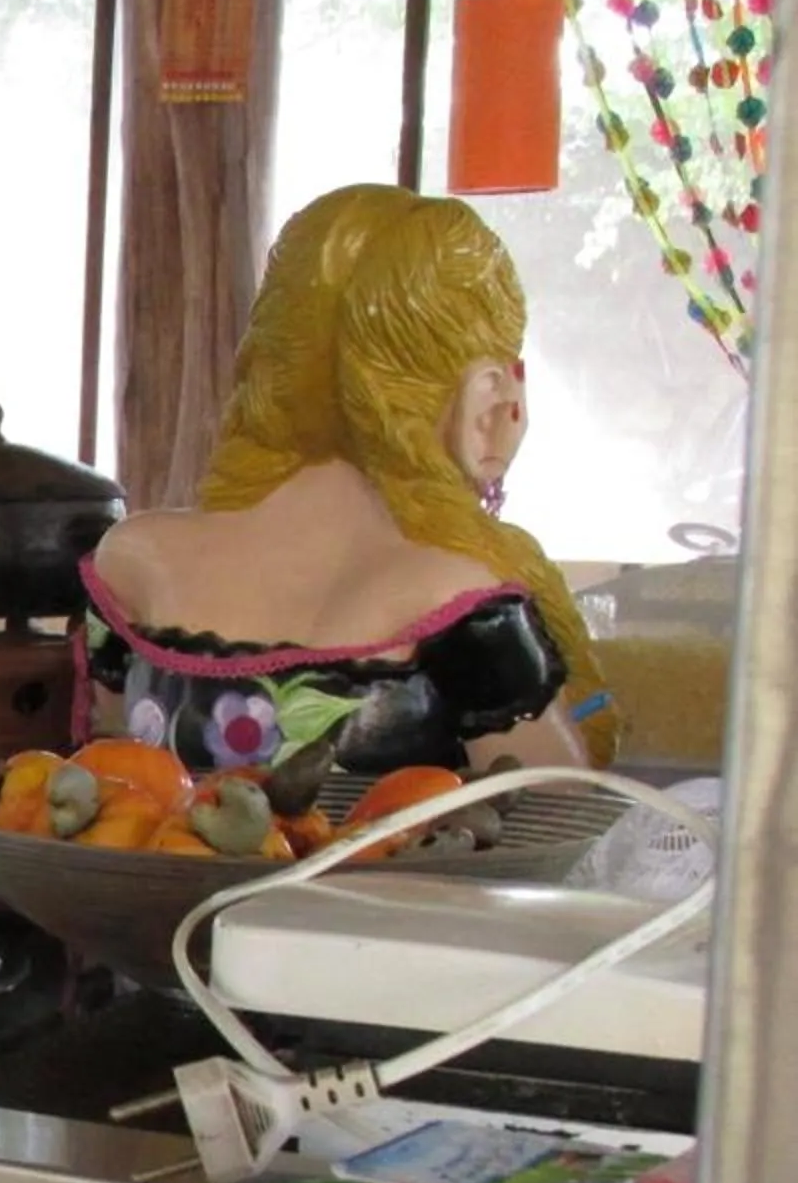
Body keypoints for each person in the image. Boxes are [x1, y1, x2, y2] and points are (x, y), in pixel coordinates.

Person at [84, 185, 617, 772]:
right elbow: (560, 817)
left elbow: (99, 789)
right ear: (489, 397)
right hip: (389, 870)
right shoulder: (456, 598)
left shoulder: (134, 560)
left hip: (153, 864)